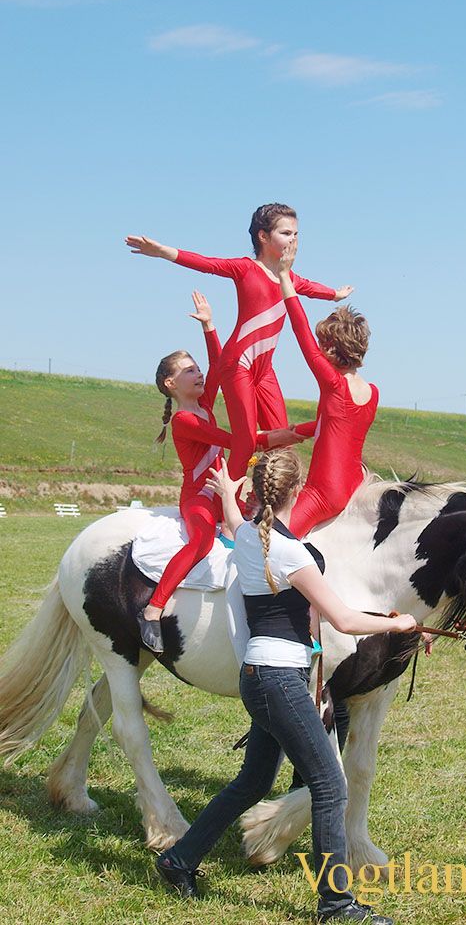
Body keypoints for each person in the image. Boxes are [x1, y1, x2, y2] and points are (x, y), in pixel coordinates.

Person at [154, 451, 416, 924]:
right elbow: (342, 618)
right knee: (330, 787)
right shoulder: (292, 553)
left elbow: (236, 525)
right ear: (299, 491)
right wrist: (401, 623)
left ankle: (178, 860)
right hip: (279, 680)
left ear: (260, 493)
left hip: (262, 678)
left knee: (253, 782)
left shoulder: (251, 539)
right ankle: (336, 905)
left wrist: (229, 497)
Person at [126, 204, 353, 505]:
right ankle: (227, 506)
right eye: (286, 233)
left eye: (297, 234)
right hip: (239, 365)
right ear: (263, 236)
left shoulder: (291, 280)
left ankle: (272, 505)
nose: (294, 240)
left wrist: (334, 295)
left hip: (264, 370)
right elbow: (207, 263)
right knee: (244, 443)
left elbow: (310, 287)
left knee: (284, 441)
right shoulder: (246, 269)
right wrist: (163, 251)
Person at [139, 292, 232, 654]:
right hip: (199, 498)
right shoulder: (185, 419)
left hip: (225, 492)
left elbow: (220, 366)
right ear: (170, 384)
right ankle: (153, 608)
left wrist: (210, 325)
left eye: (197, 368)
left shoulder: (206, 404)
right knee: (201, 542)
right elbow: (229, 439)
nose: (200, 373)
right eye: (189, 370)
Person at [276, 249, 378, 538]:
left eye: (322, 344)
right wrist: (295, 431)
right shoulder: (372, 392)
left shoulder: (333, 383)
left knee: (268, 544)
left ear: (332, 348)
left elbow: (301, 332)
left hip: (324, 491)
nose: (317, 349)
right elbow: (338, 426)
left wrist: (285, 277)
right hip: (354, 485)